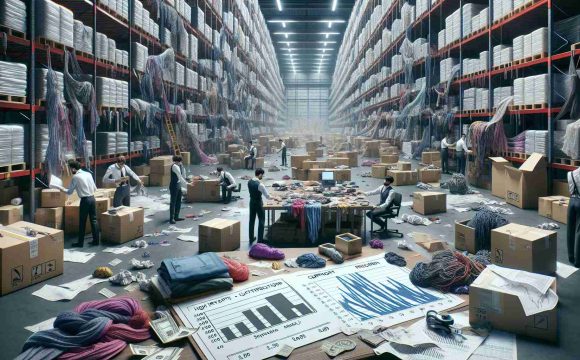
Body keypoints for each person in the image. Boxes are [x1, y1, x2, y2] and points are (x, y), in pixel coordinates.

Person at [51, 160, 100, 247]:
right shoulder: (88, 174)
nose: (70, 171)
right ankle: (96, 241)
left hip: (85, 200)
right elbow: (95, 188)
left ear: (73, 169)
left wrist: (59, 187)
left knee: (82, 221)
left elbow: (69, 192)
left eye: (70, 169)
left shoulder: (76, 177)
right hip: (92, 198)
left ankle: (80, 243)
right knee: (94, 220)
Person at [248, 168, 271, 243]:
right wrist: (275, 197)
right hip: (258, 203)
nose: (262, 177)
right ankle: (260, 240)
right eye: (262, 175)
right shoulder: (260, 185)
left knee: (251, 220)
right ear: (260, 174)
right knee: (261, 220)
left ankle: (251, 238)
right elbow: (267, 196)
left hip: (251, 202)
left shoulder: (249, 182)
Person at [169, 155, 188, 224]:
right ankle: (171, 218)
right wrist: (187, 185)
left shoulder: (179, 165)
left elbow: (183, 173)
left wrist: (182, 166)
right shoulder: (174, 166)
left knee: (178, 201)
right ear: (177, 161)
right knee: (173, 202)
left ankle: (176, 217)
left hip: (178, 184)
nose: (181, 162)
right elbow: (180, 177)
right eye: (180, 161)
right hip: (174, 185)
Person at [567, 168, 580, 267]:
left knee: (570, 229)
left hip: (571, 201)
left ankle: (571, 256)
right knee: (579, 231)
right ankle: (578, 262)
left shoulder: (570, 173)